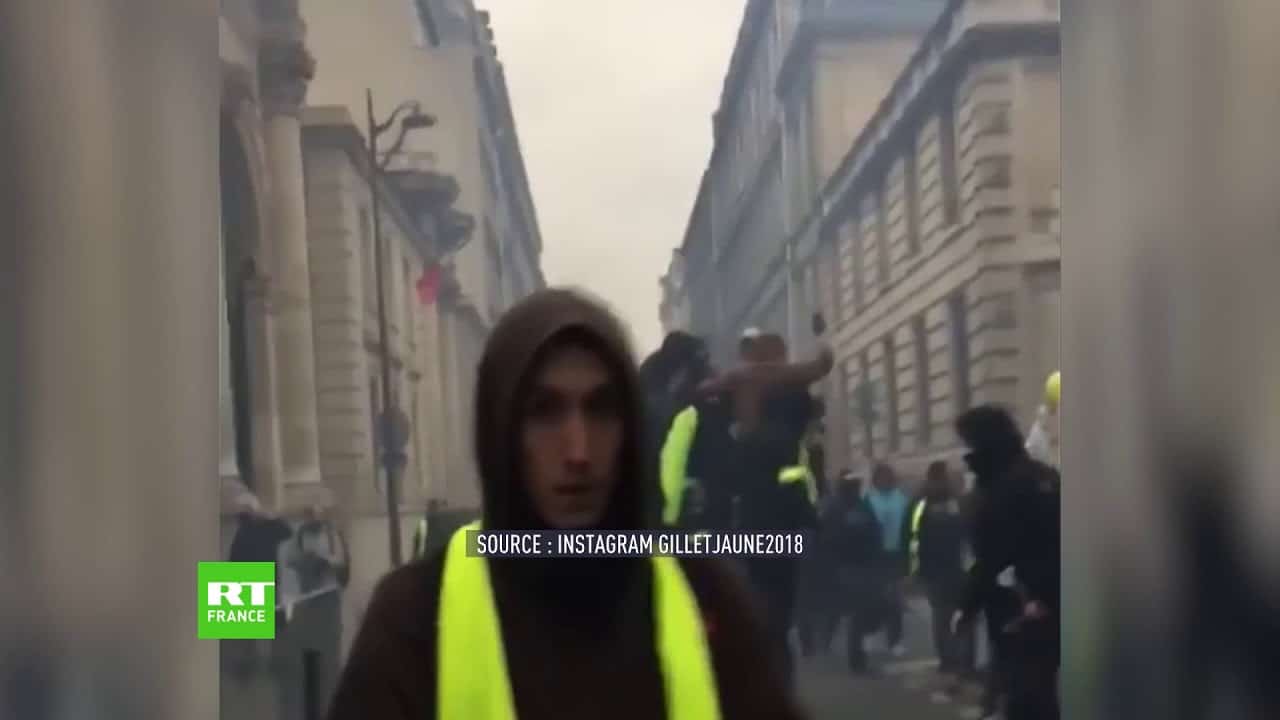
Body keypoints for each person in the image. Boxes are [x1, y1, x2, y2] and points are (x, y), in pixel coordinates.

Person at [326, 288, 804, 720]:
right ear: (502, 432)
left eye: (601, 410)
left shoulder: (705, 592)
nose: (578, 451)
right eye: (544, 412)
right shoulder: (413, 613)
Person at [698, 326, 831, 683]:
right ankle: (778, 649)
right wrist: (821, 333)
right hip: (784, 519)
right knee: (781, 592)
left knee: (759, 588)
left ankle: (764, 646)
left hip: (751, 516)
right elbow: (822, 364)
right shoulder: (790, 432)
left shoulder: (740, 383)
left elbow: (706, 392)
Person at [951, 404, 1061, 720]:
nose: (966, 453)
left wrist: (966, 606)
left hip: (1021, 607)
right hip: (1043, 603)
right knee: (1037, 692)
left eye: (968, 444)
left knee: (1028, 698)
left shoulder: (1000, 490)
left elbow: (991, 558)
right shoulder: (1046, 477)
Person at [908, 461, 975, 698]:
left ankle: (959, 662)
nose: (950, 480)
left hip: (954, 569)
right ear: (936, 478)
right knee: (945, 617)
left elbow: (968, 532)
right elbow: (914, 538)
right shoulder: (923, 504)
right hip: (939, 570)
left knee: (956, 617)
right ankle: (954, 661)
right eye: (947, 476)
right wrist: (916, 570)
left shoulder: (957, 502)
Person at [822, 471, 883, 673]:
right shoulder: (835, 507)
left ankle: (857, 654)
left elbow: (874, 531)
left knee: (868, 610)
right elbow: (828, 538)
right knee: (857, 613)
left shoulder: (862, 505)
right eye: (853, 484)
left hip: (866, 565)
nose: (855, 487)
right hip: (847, 567)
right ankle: (857, 660)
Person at [864, 462, 910, 657]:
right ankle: (872, 632)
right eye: (881, 478)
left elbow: (909, 526)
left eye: (888, 478)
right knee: (877, 598)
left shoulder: (901, 499)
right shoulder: (869, 500)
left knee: (895, 600)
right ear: (875, 481)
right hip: (876, 555)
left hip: (896, 554)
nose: (885, 481)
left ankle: (895, 640)